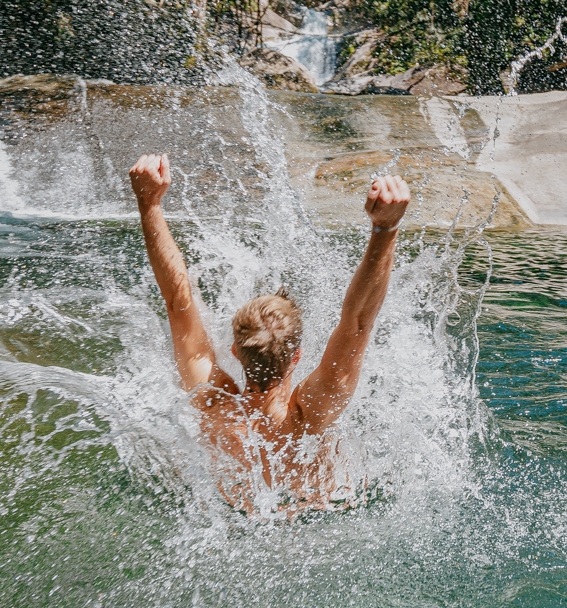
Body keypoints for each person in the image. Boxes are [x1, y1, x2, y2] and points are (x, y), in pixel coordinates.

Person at [127, 152, 410, 510]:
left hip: (232, 518)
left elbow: (176, 300)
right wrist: (386, 229)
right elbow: (358, 323)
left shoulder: (212, 404)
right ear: (297, 355)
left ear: (234, 351)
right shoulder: (310, 416)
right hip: (318, 517)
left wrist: (148, 202)